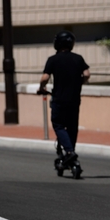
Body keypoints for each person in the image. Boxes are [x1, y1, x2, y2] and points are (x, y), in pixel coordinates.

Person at [37, 31, 90, 167]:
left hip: (59, 99)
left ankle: (69, 151)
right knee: (72, 127)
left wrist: (41, 87)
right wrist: (80, 82)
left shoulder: (53, 59)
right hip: (74, 99)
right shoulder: (78, 58)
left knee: (58, 125)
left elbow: (45, 78)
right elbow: (86, 74)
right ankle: (70, 152)